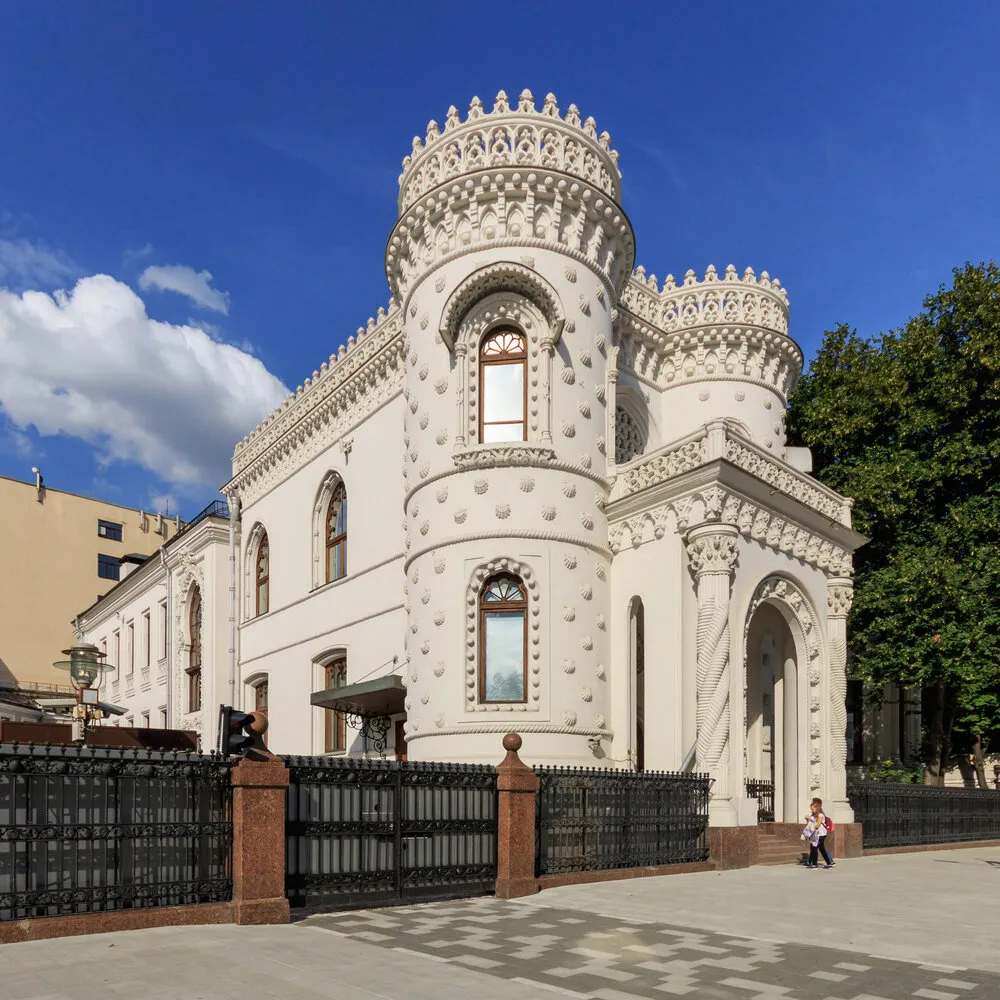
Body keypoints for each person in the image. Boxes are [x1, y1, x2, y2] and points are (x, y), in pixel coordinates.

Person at [799, 797, 835, 869]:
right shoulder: (814, 816)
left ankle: (815, 864)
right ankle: (828, 863)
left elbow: (817, 825)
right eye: (811, 809)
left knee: (814, 848)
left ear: (817, 807)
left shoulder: (820, 815)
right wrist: (808, 821)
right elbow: (810, 826)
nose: (812, 810)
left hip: (821, 835)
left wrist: (811, 820)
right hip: (816, 835)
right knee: (820, 849)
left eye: (813, 809)